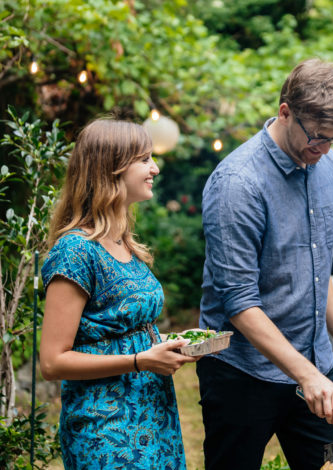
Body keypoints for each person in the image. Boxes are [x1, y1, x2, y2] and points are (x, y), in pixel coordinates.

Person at [197, 58, 333, 469]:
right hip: (242, 373)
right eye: (316, 138)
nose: (323, 150)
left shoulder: (326, 165)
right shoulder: (237, 183)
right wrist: (305, 374)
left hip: (315, 363)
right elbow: (238, 303)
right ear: (285, 112)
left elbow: (317, 265)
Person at [40, 119, 197, 469]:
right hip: (106, 431)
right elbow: (52, 362)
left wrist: (169, 344)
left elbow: (117, 335)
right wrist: (140, 361)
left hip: (154, 417)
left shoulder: (123, 242)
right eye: (143, 159)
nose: (154, 168)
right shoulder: (76, 251)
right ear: (110, 168)